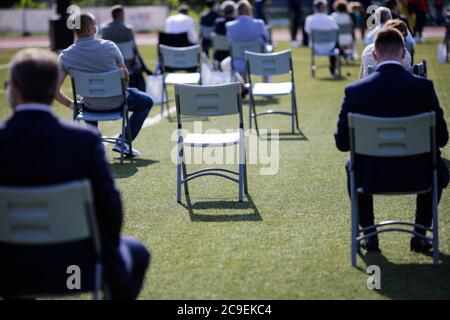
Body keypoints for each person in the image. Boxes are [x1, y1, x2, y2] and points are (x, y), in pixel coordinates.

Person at [0, 48, 151, 299]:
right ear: (52, 91)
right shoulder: (84, 141)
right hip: (78, 267)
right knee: (136, 252)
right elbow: (111, 212)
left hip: (8, 269)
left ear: (13, 91)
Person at [334, 28, 449, 252]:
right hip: (418, 175)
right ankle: (419, 233)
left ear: (374, 55)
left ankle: (369, 232)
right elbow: (442, 138)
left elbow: (342, 144)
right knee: (437, 164)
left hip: (370, 176)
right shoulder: (424, 88)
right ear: (404, 53)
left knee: (352, 165)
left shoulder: (355, 91)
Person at [56, 12, 153, 158]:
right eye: (94, 24)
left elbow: (53, 89)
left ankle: (97, 145)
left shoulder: (65, 55)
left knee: (86, 99)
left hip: (89, 105)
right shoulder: (109, 46)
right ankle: (124, 141)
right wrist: (124, 91)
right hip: (118, 102)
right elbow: (125, 75)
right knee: (147, 101)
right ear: (89, 28)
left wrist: (71, 105)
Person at [101, 5, 153, 92]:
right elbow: (134, 50)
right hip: (127, 65)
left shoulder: (105, 29)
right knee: (137, 64)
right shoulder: (127, 29)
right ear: (120, 15)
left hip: (110, 65)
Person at [226, 0, 270, 75]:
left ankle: (240, 84)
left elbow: (229, 43)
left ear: (237, 12)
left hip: (238, 63)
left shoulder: (229, 26)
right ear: (249, 10)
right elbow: (267, 39)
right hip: (259, 62)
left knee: (224, 64)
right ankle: (265, 84)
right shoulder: (260, 23)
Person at [304, 0, 339, 76]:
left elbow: (307, 31)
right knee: (335, 44)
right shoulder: (330, 19)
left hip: (315, 47)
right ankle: (333, 71)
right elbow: (336, 31)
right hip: (330, 47)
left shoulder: (309, 19)